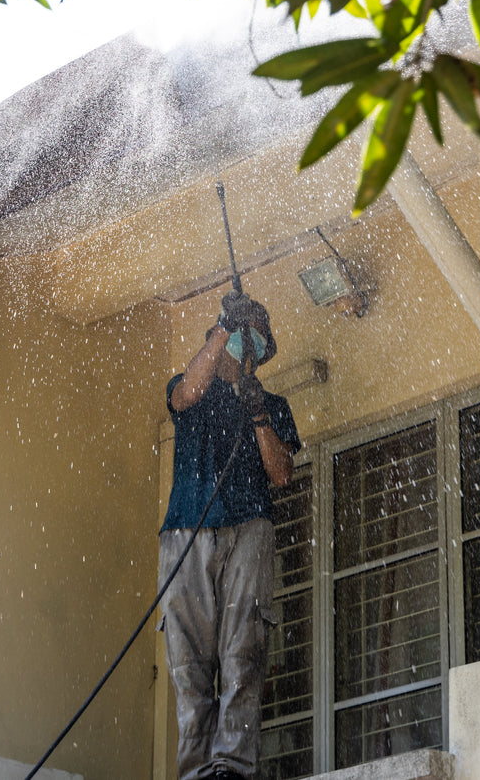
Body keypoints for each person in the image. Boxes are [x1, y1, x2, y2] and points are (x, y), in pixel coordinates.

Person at [161, 289, 301, 780]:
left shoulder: (272, 403)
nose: (247, 355)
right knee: (188, 659)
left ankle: (232, 766)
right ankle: (197, 769)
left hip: (249, 528)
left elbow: (281, 473)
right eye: (243, 343)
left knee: (244, 647)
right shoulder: (192, 385)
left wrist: (258, 410)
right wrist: (226, 325)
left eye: (254, 347)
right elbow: (186, 393)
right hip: (188, 529)